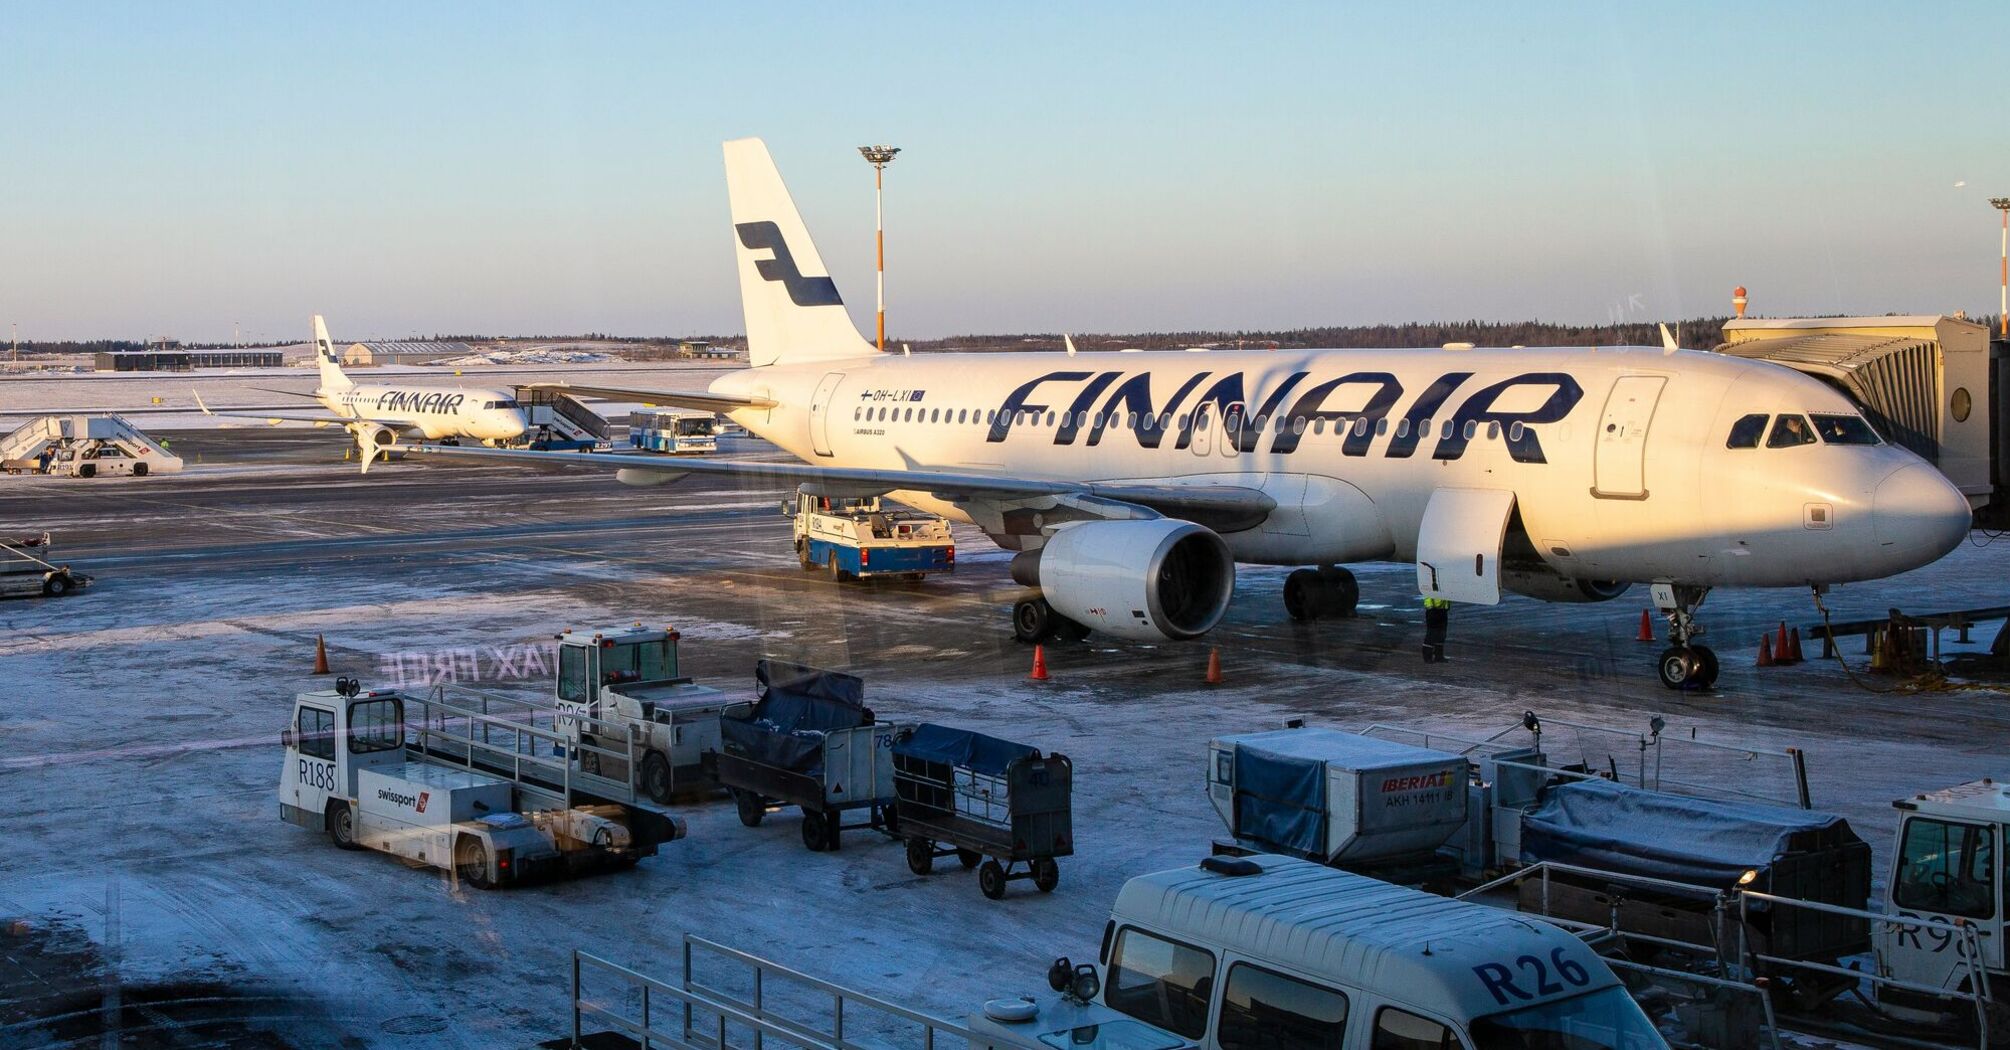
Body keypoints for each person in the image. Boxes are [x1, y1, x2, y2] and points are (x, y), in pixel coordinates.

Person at [1422, 597, 1451, 663]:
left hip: (1442, 609)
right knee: (1432, 633)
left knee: (1441, 634)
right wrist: (1430, 607)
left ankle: (1438, 656)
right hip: (1433, 609)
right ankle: (1427, 657)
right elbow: (1428, 593)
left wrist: (1447, 606)